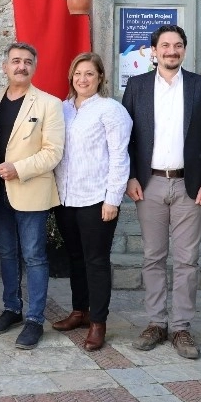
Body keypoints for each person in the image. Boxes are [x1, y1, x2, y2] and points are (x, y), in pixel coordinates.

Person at [122, 24, 201, 359]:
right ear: (153, 51)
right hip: (148, 184)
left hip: (189, 185)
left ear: (184, 50)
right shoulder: (136, 87)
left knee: (187, 260)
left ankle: (181, 327)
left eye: (178, 45)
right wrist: (131, 178)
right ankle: (155, 323)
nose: (171, 51)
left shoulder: (200, 86)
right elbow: (128, 139)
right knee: (152, 257)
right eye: (165, 45)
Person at [52, 53, 131, 351]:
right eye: (78, 74)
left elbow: (120, 158)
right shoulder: (62, 109)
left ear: (100, 78)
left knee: (96, 261)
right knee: (75, 257)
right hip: (65, 197)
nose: (82, 79)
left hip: (97, 198)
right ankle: (79, 311)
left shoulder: (110, 110)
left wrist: (113, 198)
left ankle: (98, 322)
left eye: (89, 74)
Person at [0, 42, 64, 350]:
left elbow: (53, 152)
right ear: (5, 67)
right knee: (6, 254)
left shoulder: (49, 103)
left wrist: (18, 168)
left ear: (34, 67)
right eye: (15, 61)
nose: (21, 66)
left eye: (27, 61)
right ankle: (12, 308)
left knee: (33, 256)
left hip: (30, 189)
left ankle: (34, 319)